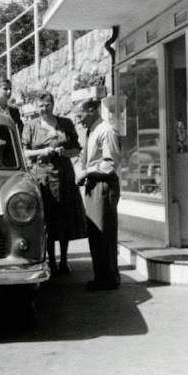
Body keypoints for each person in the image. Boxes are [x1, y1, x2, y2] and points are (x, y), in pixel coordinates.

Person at [21, 92, 85, 275]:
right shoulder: (30, 126)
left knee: (64, 218)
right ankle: (50, 261)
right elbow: (25, 153)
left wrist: (64, 153)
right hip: (41, 177)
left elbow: (76, 149)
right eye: (40, 105)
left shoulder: (65, 124)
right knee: (47, 219)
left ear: (53, 104)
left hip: (63, 176)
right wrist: (43, 151)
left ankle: (64, 260)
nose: (44, 108)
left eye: (47, 104)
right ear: (36, 107)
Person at [74, 98, 122, 291]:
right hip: (93, 185)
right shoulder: (92, 131)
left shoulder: (106, 131)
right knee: (95, 233)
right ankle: (100, 276)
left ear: (92, 110)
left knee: (104, 233)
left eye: (81, 115)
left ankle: (109, 278)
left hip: (103, 185)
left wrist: (87, 172)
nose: (78, 121)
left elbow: (110, 164)